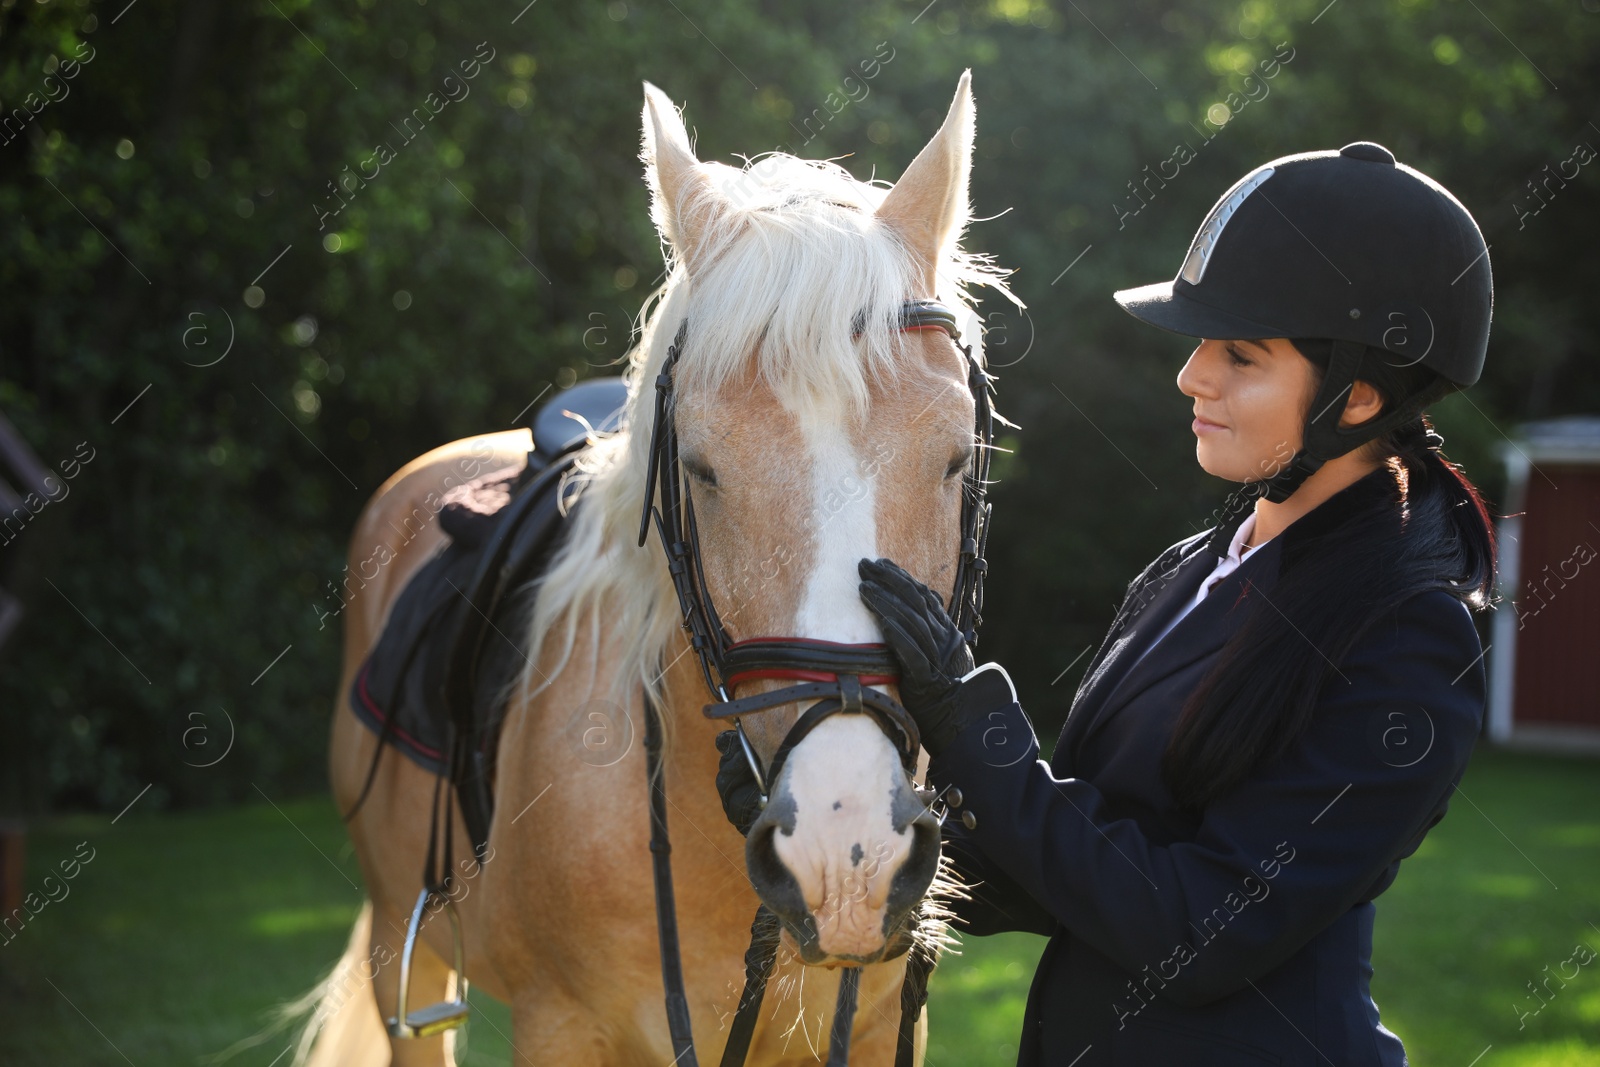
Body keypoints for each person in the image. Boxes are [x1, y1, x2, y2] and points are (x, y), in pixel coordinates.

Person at [720, 141, 1499, 1065]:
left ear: (1359, 399)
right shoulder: (1197, 566)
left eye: (1240, 355)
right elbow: (1085, 870)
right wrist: (857, 824)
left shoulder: (1410, 641)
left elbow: (1199, 930)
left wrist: (978, 726)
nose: (1192, 376)